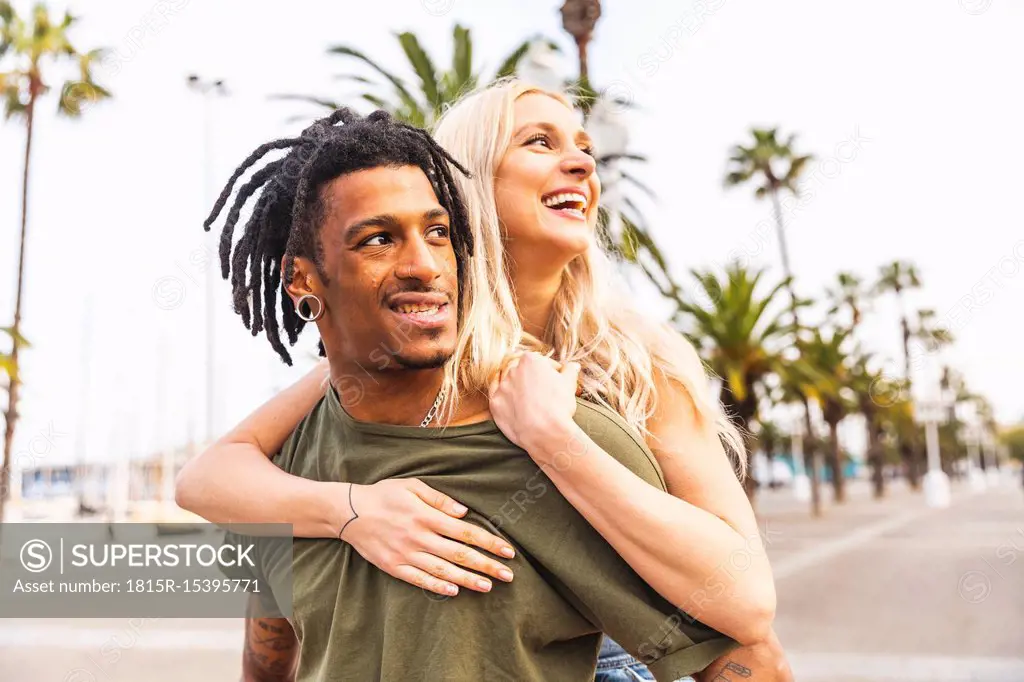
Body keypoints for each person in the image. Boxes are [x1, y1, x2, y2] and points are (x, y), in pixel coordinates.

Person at [178, 80, 791, 681]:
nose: (579, 161)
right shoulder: (406, 359)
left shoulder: (635, 363)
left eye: (583, 147)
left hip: (626, 654)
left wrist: (553, 439)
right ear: (468, 182)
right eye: (540, 143)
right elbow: (215, 476)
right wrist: (352, 510)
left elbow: (746, 605)